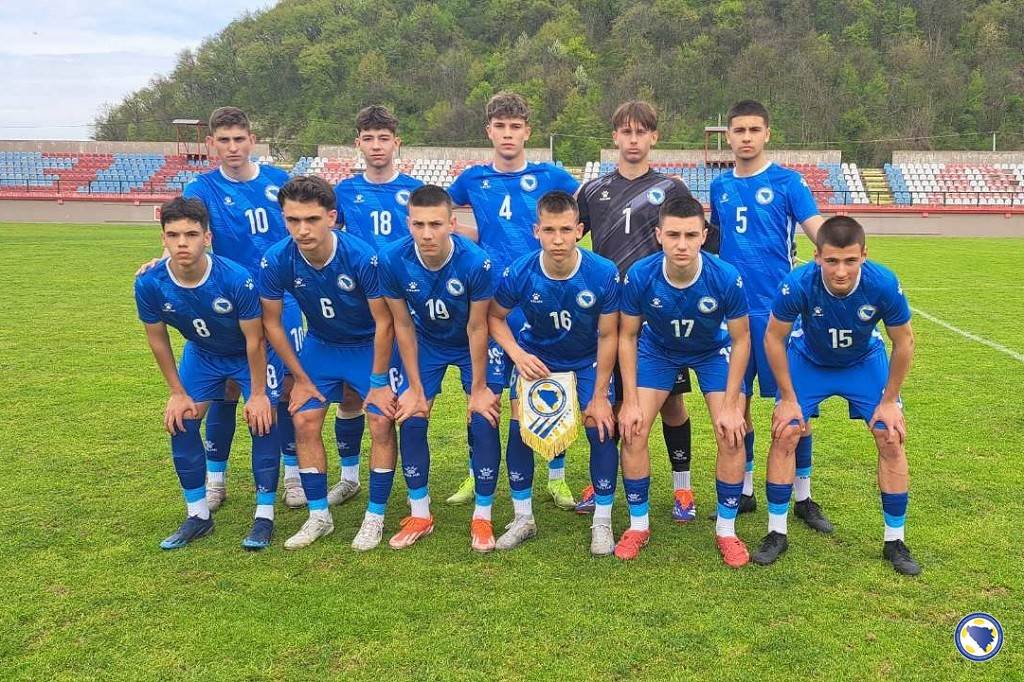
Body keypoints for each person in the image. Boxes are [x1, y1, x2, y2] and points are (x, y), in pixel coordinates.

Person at [136, 106, 313, 512]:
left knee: (285, 388)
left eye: (239, 139)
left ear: (252, 141)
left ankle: (293, 474)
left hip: (281, 297)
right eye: (224, 140)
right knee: (226, 389)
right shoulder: (201, 187)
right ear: (211, 144)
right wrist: (160, 259)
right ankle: (216, 478)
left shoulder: (278, 181)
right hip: (229, 299)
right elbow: (186, 228)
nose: (233, 147)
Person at [751, 216, 920, 575]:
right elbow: (774, 338)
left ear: (864, 256)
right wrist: (787, 398)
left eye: (850, 260)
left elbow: (904, 341)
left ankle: (895, 540)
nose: (840, 271)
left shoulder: (882, 283)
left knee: (890, 435)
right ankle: (776, 532)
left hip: (862, 361)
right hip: (809, 359)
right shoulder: (798, 283)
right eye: (831, 261)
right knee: (786, 431)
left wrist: (890, 401)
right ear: (817, 256)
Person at [446, 91, 581, 509]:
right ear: (489, 131)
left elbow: (579, 216)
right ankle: (476, 472)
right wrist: (472, 238)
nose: (508, 134)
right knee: (482, 389)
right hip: (491, 301)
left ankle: (557, 476)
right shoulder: (472, 179)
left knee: (550, 386)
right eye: (500, 126)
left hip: (540, 299)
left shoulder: (552, 176)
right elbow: (444, 216)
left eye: (515, 126)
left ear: (527, 132)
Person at [576, 100, 705, 522]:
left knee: (671, 404)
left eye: (641, 132)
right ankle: (602, 482)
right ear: (615, 136)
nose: (633, 140)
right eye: (626, 132)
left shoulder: (672, 188)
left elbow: (697, 242)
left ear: (654, 137)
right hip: (610, 314)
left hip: (659, 315)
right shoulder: (592, 190)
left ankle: (683, 488)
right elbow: (569, 237)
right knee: (613, 402)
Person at [258, 176, 402, 550]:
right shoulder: (277, 259)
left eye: (312, 219)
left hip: (367, 345)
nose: (302, 230)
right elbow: (272, 323)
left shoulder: (361, 256)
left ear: (332, 217)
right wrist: (300, 378)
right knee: (304, 418)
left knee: (381, 420)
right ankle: (319, 516)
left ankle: (374, 517)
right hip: (321, 345)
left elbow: (385, 322)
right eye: (293, 220)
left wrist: (378, 381)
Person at [134, 197, 279, 550]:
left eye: (191, 234)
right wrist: (177, 392)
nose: (182, 243)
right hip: (203, 355)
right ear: (163, 239)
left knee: (262, 420)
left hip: (247, 355)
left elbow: (255, 340)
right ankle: (198, 516)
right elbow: (157, 340)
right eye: (173, 235)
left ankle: (264, 516)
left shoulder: (235, 278)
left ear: (207, 238)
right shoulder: (149, 283)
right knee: (181, 420)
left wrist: (259, 393)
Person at [709, 100, 828, 530]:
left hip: (779, 315)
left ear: (767, 134)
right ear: (728, 136)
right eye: (739, 130)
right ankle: (744, 491)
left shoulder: (787, 182)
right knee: (736, 406)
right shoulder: (719, 186)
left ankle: (803, 496)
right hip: (733, 315)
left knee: (795, 407)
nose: (746, 137)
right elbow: (716, 241)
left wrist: (839, 252)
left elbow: (817, 230)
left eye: (754, 130)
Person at [618, 196, 751, 565]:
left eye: (691, 235)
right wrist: (630, 401)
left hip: (712, 351)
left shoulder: (725, 276)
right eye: (673, 235)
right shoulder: (641, 275)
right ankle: (638, 525)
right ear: (658, 235)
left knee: (731, 432)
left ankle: (726, 530)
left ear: (703, 236)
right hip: (658, 350)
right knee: (633, 429)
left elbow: (741, 339)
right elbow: (627, 336)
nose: (682, 244)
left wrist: (732, 406)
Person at [485, 191, 620, 555]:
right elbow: (494, 317)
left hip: (587, 359)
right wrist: (518, 354)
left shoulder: (603, 272)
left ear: (579, 230)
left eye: (565, 230)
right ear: (536, 231)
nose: (557, 239)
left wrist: (600, 395)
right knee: (520, 427)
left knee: (600, 426)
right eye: (549, 230)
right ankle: (523, 517)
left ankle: (602, 521)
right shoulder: (521, 271)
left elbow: (609, 334)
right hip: (540, 358)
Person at [376, 185, 498, 551]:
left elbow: (478, 327)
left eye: (436, 224)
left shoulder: (476, 262)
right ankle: (420, 513)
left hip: (469, 343)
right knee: (411, 416)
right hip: (426, 342)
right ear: (408, 224)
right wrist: (415, 389)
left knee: (484, 417)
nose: (427, 234)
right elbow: (402, 325)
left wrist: (479, 388)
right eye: (419, 224)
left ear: (452, 224)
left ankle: (483, 516)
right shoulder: (392, 259)